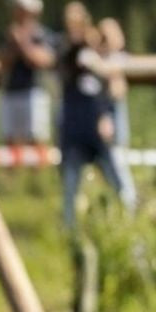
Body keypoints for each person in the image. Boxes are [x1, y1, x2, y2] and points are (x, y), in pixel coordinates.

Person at [57, 2, 131, 228]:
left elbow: (110, 90)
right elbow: (66, 60)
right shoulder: (67, 53)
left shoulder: (97, 56)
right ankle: (70, 234)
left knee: (118, 184)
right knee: (71, 187)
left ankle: (128, 226)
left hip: (98, 132)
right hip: (74, 132)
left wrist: (105, 116)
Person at [0, 0, 56, 145]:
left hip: (34, 92)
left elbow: (44, 61)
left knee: (36, 140)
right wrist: (13, 46)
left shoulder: (41, 34)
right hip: (10, 91)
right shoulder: (9, 34)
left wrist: (22, 43)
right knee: (10, 141)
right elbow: (1, 63)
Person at [96, 16, 137, 212]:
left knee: (119, 167)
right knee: (106, 169)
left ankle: (128, 208)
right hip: (98, 122)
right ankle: (117, 209)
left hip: (114, 122)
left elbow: (118, 91)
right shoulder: (97, 60)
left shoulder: (119, 60)